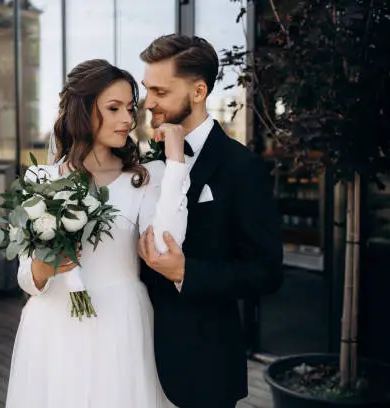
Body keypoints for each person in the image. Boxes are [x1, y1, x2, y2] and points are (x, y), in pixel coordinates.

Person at [5, 59, 191, 408]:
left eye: (130, 108)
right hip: (53, 328)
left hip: (120, 323)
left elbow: (167, 244)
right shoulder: (41, 180)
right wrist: (45, 268)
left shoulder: (143, 178)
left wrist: (176, 161)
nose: (127, 119)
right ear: (82, 110)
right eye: (114, 108)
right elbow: (26, 279)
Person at [137, 34, 284, 408]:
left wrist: (186, 271)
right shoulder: (142, 164)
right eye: (146, 89)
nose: (148, 102)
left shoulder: (242, 167)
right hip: (134, 356)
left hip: (203, 367)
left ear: (198, 90)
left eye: (159, 91)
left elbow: (266, 271)